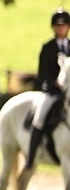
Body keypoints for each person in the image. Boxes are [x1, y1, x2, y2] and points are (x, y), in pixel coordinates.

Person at [27, 9, 70, 170]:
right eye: (58, 26)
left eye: (64, 25)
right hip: (52, 92)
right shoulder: (47, 48)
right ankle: (30, 158)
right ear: (53, 27)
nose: (61, 28)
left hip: (69, 94)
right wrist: (56, 84)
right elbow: (42, 73)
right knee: (39, 117)